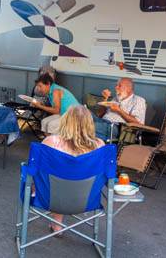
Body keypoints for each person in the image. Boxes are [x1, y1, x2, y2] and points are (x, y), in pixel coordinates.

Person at [41, 105, 104, 236]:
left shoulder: (51, 142)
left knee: (57, 180)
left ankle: (57, 226)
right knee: (67, 181)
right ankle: (57, 224)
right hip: (87, 199)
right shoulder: (99, 145)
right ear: (90, 124)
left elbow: (36, 171)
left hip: (51, 197)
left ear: (65, 121)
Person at [95, 77, 147, 142]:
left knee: (86, 126)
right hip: (101, 122)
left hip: (115, 127)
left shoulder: (138, 100)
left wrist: (119, 110)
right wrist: (105, 98)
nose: (116, 88)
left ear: (129, 88)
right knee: (83, 114)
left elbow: (138, 123)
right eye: (116, 85)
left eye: (119, 86)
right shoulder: (115, 98)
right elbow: (99, 115)